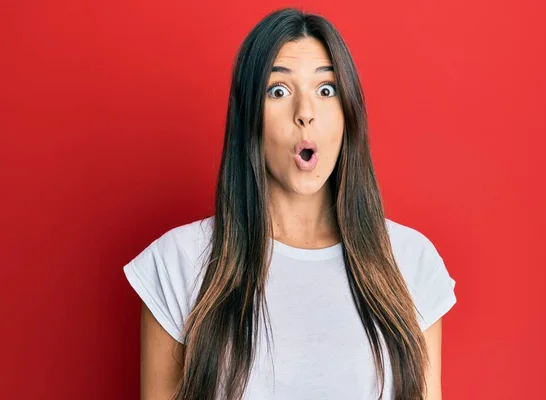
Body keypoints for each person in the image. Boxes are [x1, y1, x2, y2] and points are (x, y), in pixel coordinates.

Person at [123, 7, 457, 400]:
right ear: (249, 115)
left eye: (326, 89)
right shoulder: (176, 263)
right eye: (278, 91)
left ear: (348, 113)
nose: (305, 113)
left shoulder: (412, 262)